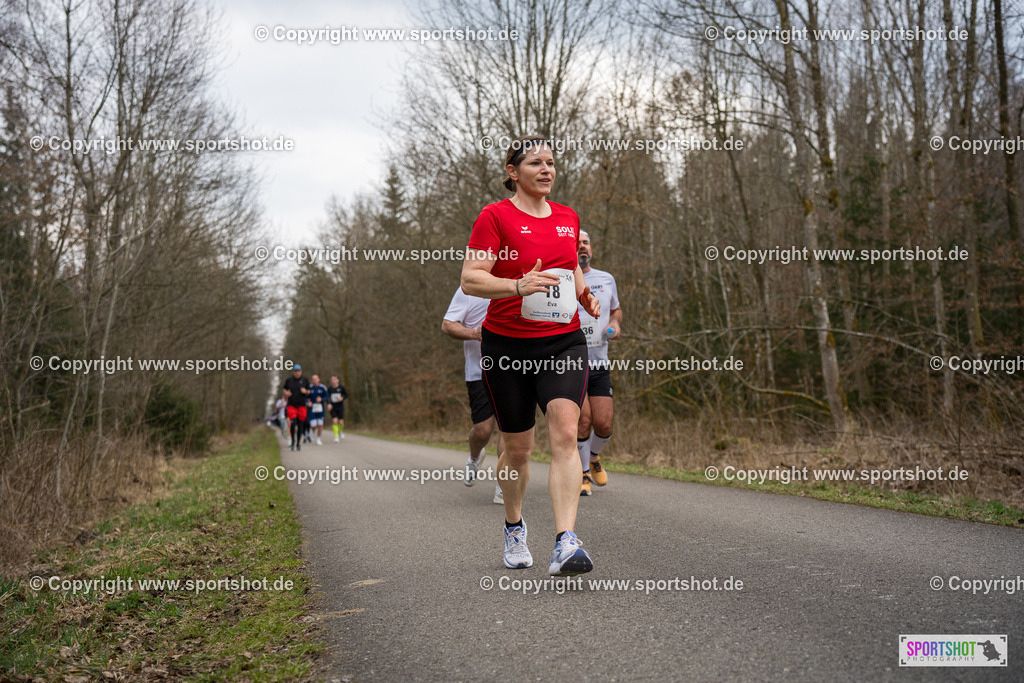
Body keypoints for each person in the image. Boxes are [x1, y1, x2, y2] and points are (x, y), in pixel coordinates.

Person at [462, 135, 600, 576]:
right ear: (512, 171)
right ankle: (514, 526)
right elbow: (470, 279)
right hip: (506, 345)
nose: (546, 169)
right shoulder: (494, 216)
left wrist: (583, 296)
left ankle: (565, 541)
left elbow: (569, 263)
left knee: (565, 431)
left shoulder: (568, 218)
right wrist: (516, 285)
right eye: (536, 163)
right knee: (518, 450)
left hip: (562, 341)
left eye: (552, 162)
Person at [442, 286, 505, 504]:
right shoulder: (469, 289)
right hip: (478, 372)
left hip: (512, 369)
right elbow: (448, 324)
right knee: (482, 431)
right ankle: (475, 457)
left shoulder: (517, 282)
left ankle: (504, 484)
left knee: (509, 428)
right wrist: (473, 333)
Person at [575, 230, 622, 496]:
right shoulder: (563, 279)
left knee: (604, 424)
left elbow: (616, 309)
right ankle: (582, 474)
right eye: (577, 243)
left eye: (586, 243)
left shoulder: (606, 279)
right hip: (571, 364)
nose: (583, 247)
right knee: (584, 420)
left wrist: (614, 323)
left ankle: (593, 457)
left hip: (600, 363)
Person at [282, 365, 310, 451]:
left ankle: (298, 443)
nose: (297, 373)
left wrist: (305, 391)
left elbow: (309, 391)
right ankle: (293, 442)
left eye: (298, 371)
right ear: (293, 372)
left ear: (301, 372)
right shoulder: (289, 380)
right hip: (292, 405)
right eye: (295, 371)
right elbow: (284, 389)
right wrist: (287, 393)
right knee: (292, 424)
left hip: (301, 406)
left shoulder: (305, 380)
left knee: (301, 425)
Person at [308, 374, 329, 445]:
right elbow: (306, 397)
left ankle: (319, 439)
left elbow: (327, 396)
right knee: (313, 425)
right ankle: (313, 431)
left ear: (318, 379)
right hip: (312, 408)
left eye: (315, 379)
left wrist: (321, 399)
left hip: (320, 408)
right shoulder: (310, 388)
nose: (314, 380)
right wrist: (308, 402)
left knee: (320, 424)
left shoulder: (322, 387)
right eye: (313, 379)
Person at [328, 375, 348, 441]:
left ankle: (340, 431)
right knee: (334, 421)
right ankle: (336, 436)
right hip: (333, 407)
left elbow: (346, 395)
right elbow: (327, 397)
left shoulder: (341, 388)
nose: (333, 381)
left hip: (340, 407)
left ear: (337, 380)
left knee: (341, 422)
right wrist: (329, 404)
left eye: (334, 379)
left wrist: (342, 398)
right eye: (332, 379)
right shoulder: (330, 389)